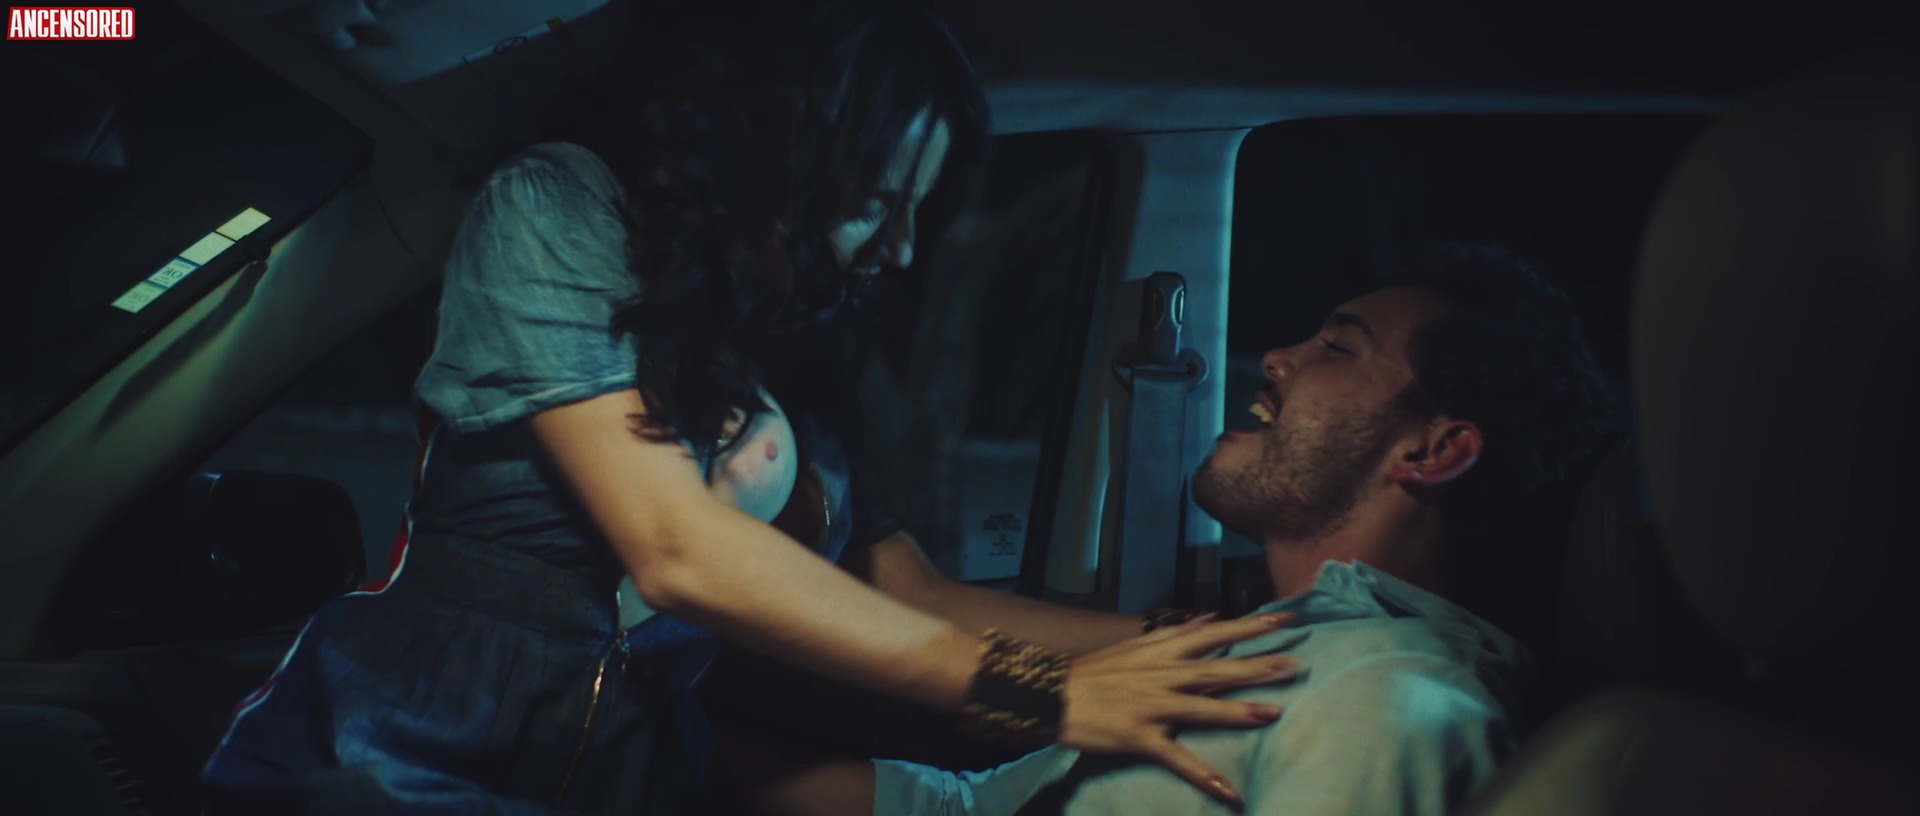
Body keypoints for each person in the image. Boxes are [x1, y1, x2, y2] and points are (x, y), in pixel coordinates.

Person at [198, 4, 1299, 813]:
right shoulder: (555, 208)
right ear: (782, 156)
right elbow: (679, 550)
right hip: (395, 766)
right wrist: (1042, 696)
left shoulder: (792, 346)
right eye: (878, 203)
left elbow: (907, 592)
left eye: (916, 215)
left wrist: (1213, 650)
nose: (901, 250)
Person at [754, 244, 1618, 816]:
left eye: (1339, 347)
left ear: (1432, 452)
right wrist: (697, 758)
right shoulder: (1286, 645)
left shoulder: (1389, 696)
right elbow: (963, 800)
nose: (1278, 357)